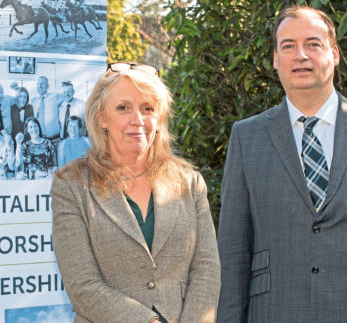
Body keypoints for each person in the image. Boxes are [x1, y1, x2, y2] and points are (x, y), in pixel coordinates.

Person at [216, 6, 347, 323]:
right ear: (276, 59)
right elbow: (233, 251)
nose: (300, 55)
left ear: (334, 53)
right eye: (288, 46)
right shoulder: (247, 137)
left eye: (313, 44)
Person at [50, 63, 220, 323]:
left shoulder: (190, 183)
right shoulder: (71, 185)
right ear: (101, 117)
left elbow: (207, 271)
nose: (137, 120)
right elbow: (82, 286)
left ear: (159, 118)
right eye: (123, 108)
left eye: (147, 108)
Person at [30, 76, 61, 143]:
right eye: (38, 84)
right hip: (40, 141)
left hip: (54, 140)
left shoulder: (55, 96)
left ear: (48, 86)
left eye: (42, 84)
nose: (40, 86)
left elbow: (67, 97)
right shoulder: (33, 101)